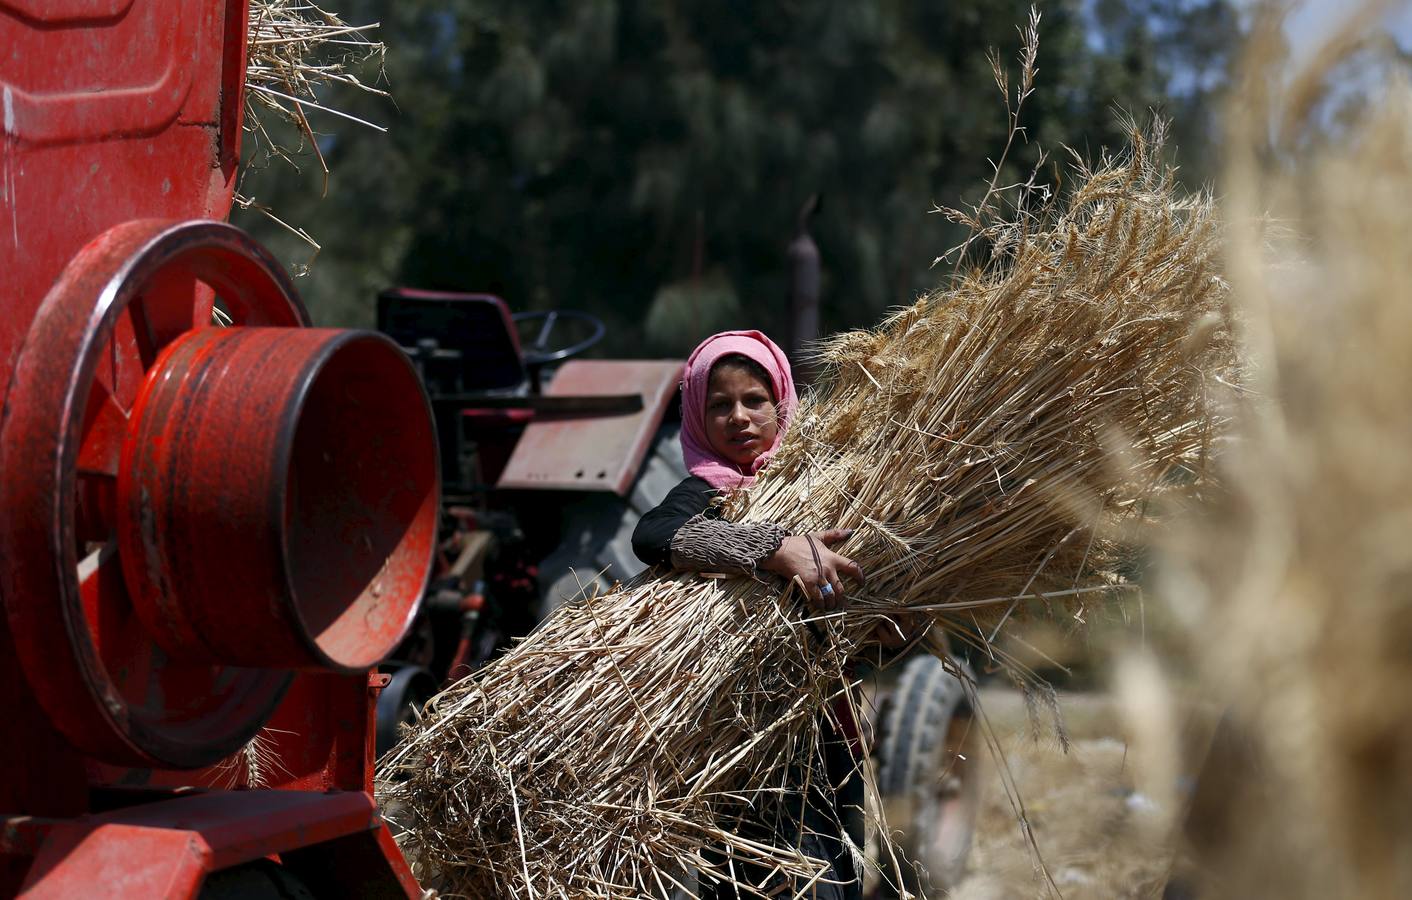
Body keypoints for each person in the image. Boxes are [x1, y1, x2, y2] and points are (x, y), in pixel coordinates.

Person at [633, 330, 908, 900]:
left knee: (841, 870)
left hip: (830, 731)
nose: (739, 418)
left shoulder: (829, 486)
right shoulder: (705, 492)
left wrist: (879, 627)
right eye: (719, 405)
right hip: (747, 740)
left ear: (781, 401)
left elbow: (871, 595)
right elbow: (652, 534)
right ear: (696, 416)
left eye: (755, 400)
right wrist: (773, 549)